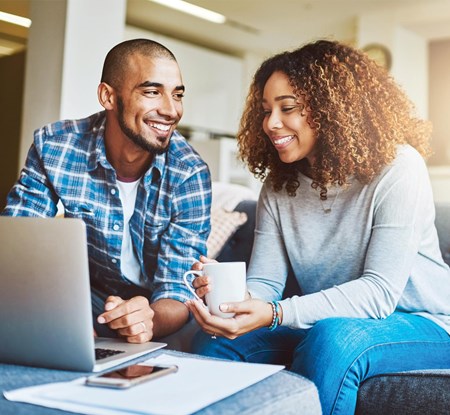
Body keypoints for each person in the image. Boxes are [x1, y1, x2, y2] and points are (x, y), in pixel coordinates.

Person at [185, 39, 450, 414]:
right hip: (334, 322)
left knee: (334, 339)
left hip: (426, 323)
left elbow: (378, 294)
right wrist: (230, 302)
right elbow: (266, 284)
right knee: (215, 343)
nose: (271, 123)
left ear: (331, 110)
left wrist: (276, 313)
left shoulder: (398, 169)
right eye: (265, 110)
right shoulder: (278, 185)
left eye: (287, 108)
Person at [2, 39, 211, 344]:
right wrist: (56, 311)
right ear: (108, 96)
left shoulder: (188, 172)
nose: (171, 110)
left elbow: (177, 292)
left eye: (177, 95)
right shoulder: (56, 146)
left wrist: (146, 319)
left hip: (158, 306)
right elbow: (17, 244)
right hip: (89, 295)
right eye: (152, 92)